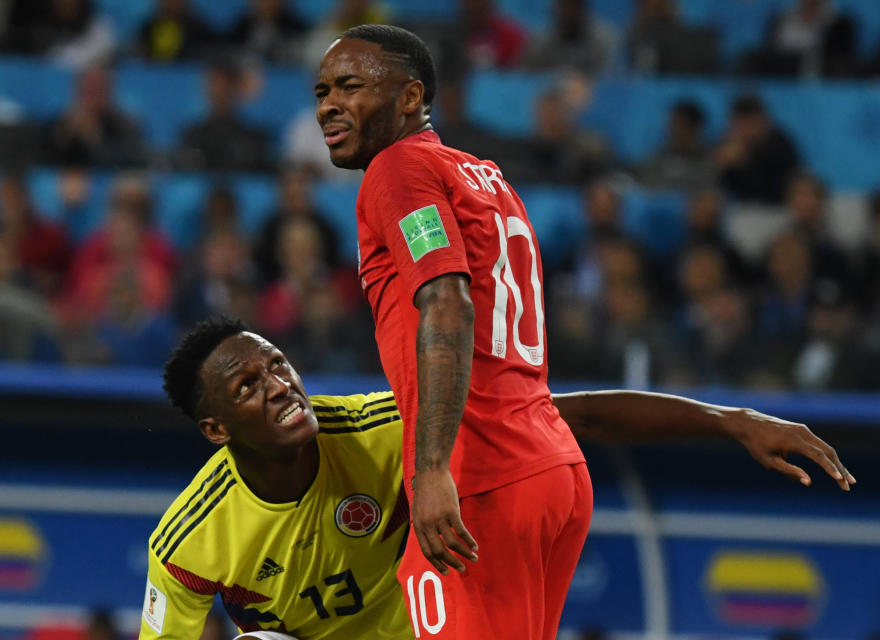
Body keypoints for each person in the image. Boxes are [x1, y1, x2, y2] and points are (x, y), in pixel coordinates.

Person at [313, 26, 849, 637]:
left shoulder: (397, 169)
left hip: (479, 480)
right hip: (550, 467)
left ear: (410, 97)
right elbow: (517, 389)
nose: (329, 103)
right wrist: (727, 420)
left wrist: (431, 469)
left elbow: (446, 301)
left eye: (350, 86)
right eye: (322, 89)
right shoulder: (487, 180)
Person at [139, 317, 853, 639]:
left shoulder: (376, 427)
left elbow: (554, 416)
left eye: (278, 365)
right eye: (247, 386)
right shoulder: (188, 541)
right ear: (216, 431)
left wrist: (731, 420)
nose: (279, 386)